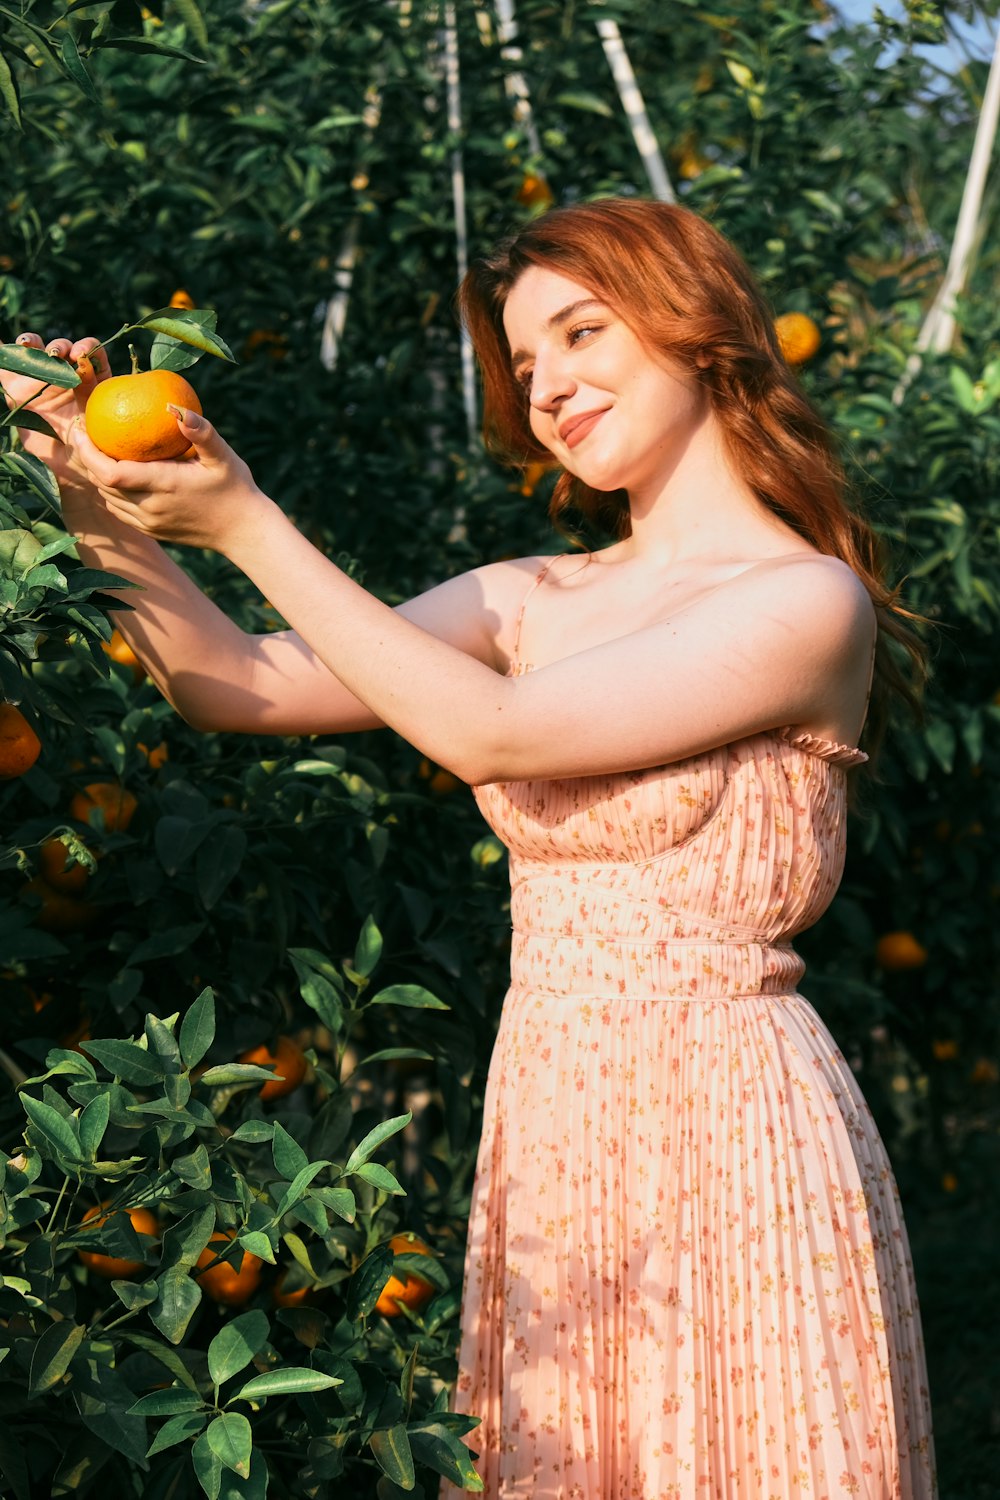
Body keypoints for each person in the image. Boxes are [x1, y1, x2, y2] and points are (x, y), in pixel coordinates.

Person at [3, 198, 936, 1498]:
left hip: (731, 1129)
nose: (548, 384)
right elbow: (232, 680)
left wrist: (248, 520)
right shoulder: (528, 595)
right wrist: (78, 477)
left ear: (700, 328)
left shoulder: (803, 602)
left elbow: (496, 735)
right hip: (555, 1115)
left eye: (581, 331)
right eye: (525, 360)